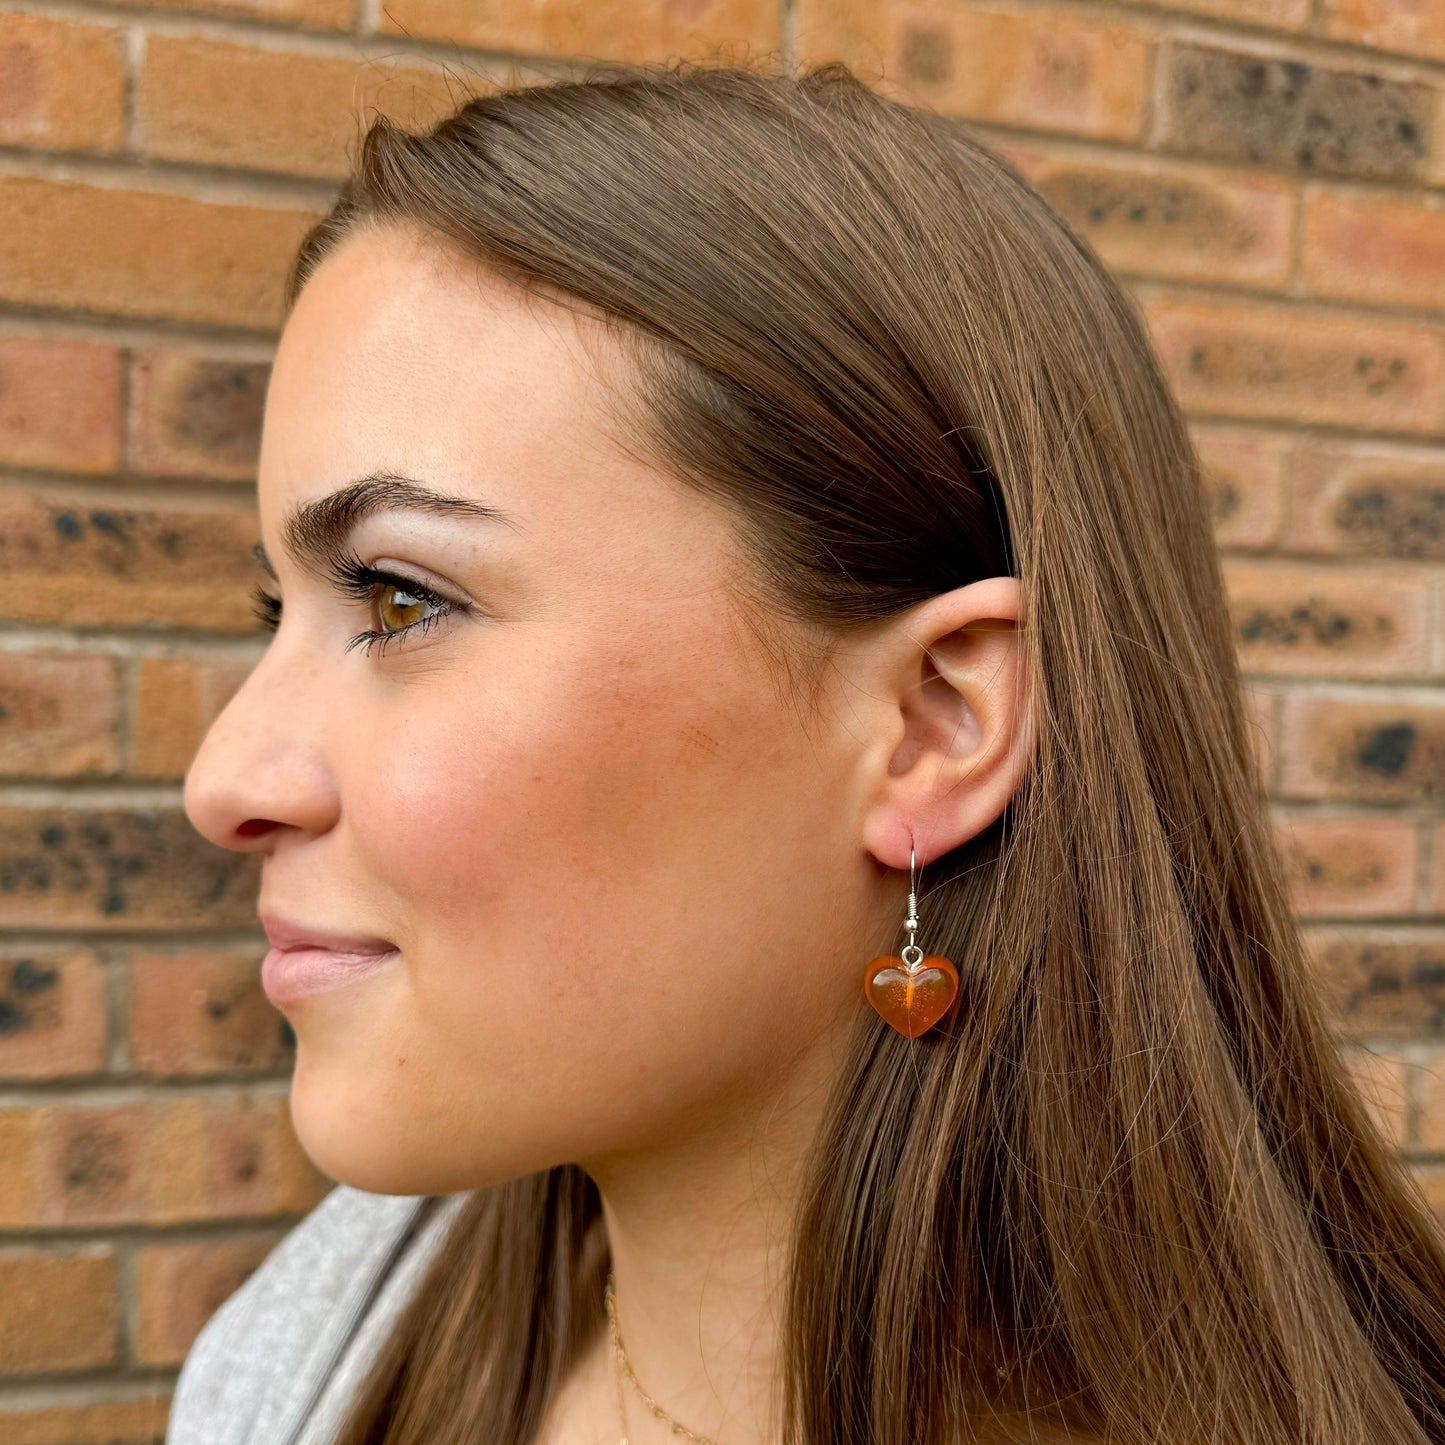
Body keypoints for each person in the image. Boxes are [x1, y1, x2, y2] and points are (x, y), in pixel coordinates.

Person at [172, 57, 1445, 1445]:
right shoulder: (326, 1348)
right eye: (274, 611)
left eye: (402, 599)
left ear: (930, 727)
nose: (227, 776)